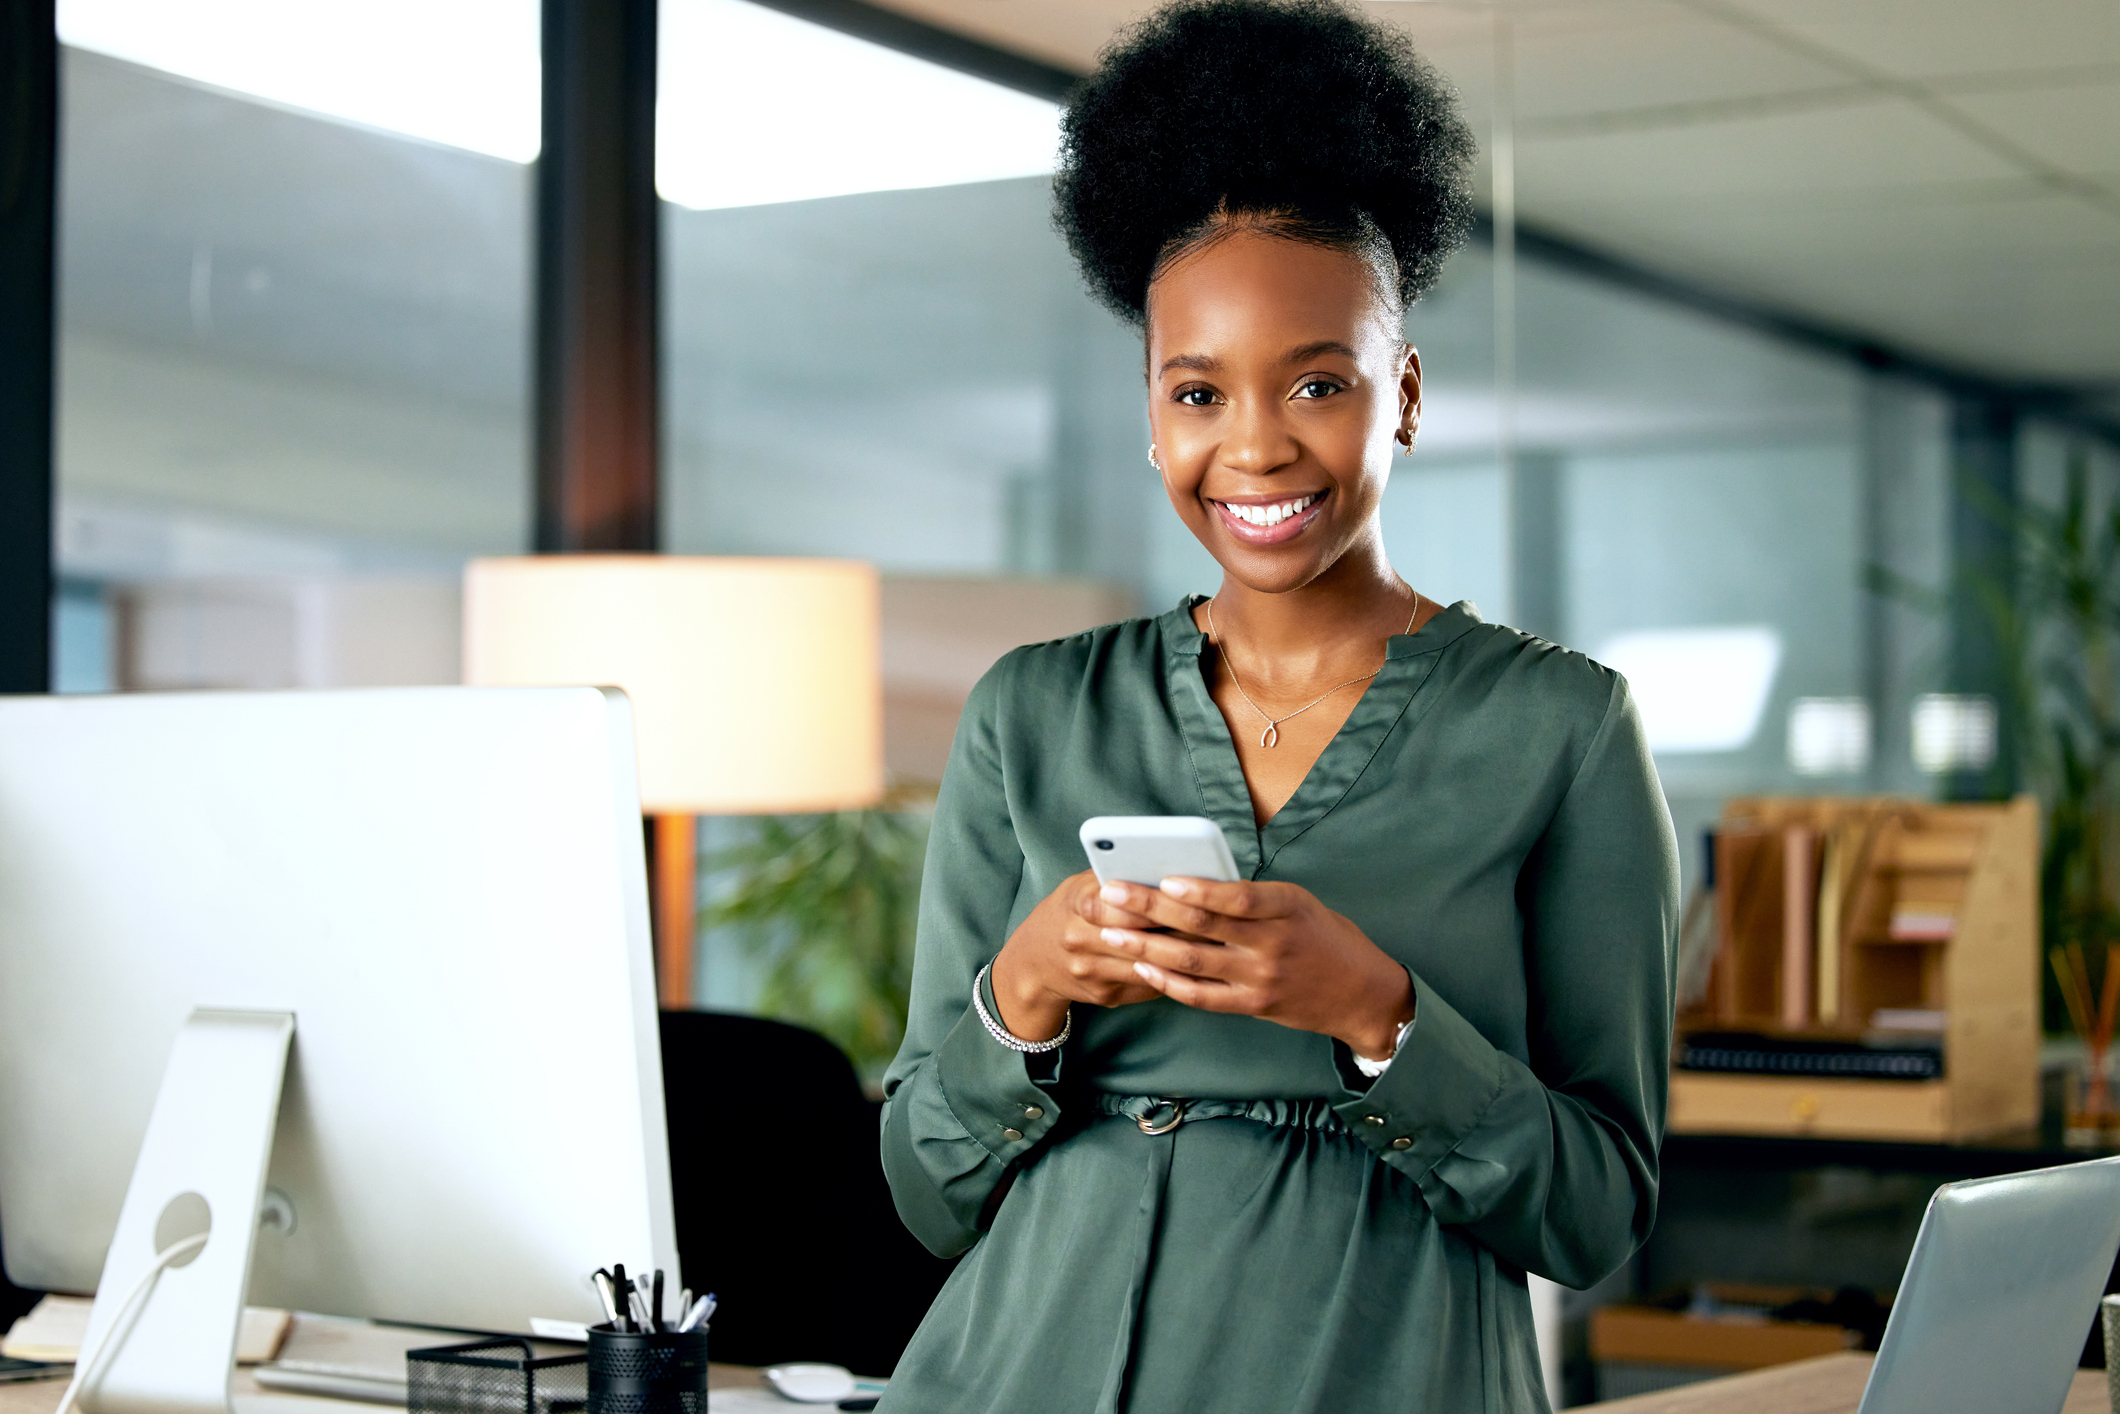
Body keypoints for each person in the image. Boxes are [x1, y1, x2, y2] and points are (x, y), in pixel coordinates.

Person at [875, 2, 1678, 1409]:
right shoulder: (1032, 712)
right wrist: (1025, 994)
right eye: (1199, 391)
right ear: (1151, 410)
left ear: (1405, 397)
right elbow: (927, 1194)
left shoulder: (1563, 728)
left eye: (1319, 381)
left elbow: (1600, 1208)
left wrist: (1381, 1016)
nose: (1254, 445)